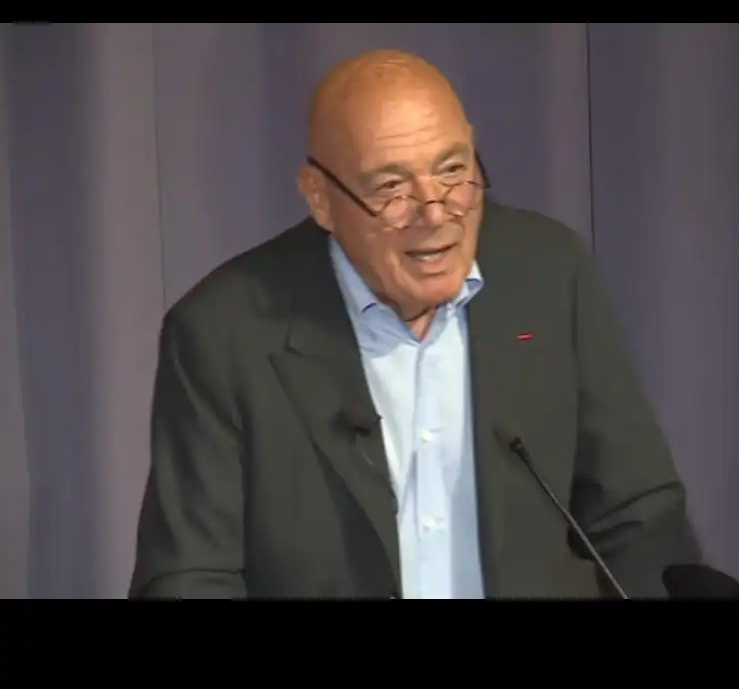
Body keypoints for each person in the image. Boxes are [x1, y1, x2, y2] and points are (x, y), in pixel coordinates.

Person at [129, 49, 702, 599]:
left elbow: (637, 516)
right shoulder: (225, 333)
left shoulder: (548, 275)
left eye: (452, 170)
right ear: (320, 198)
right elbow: (190, 575)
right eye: (391, 187)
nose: (435, 212)